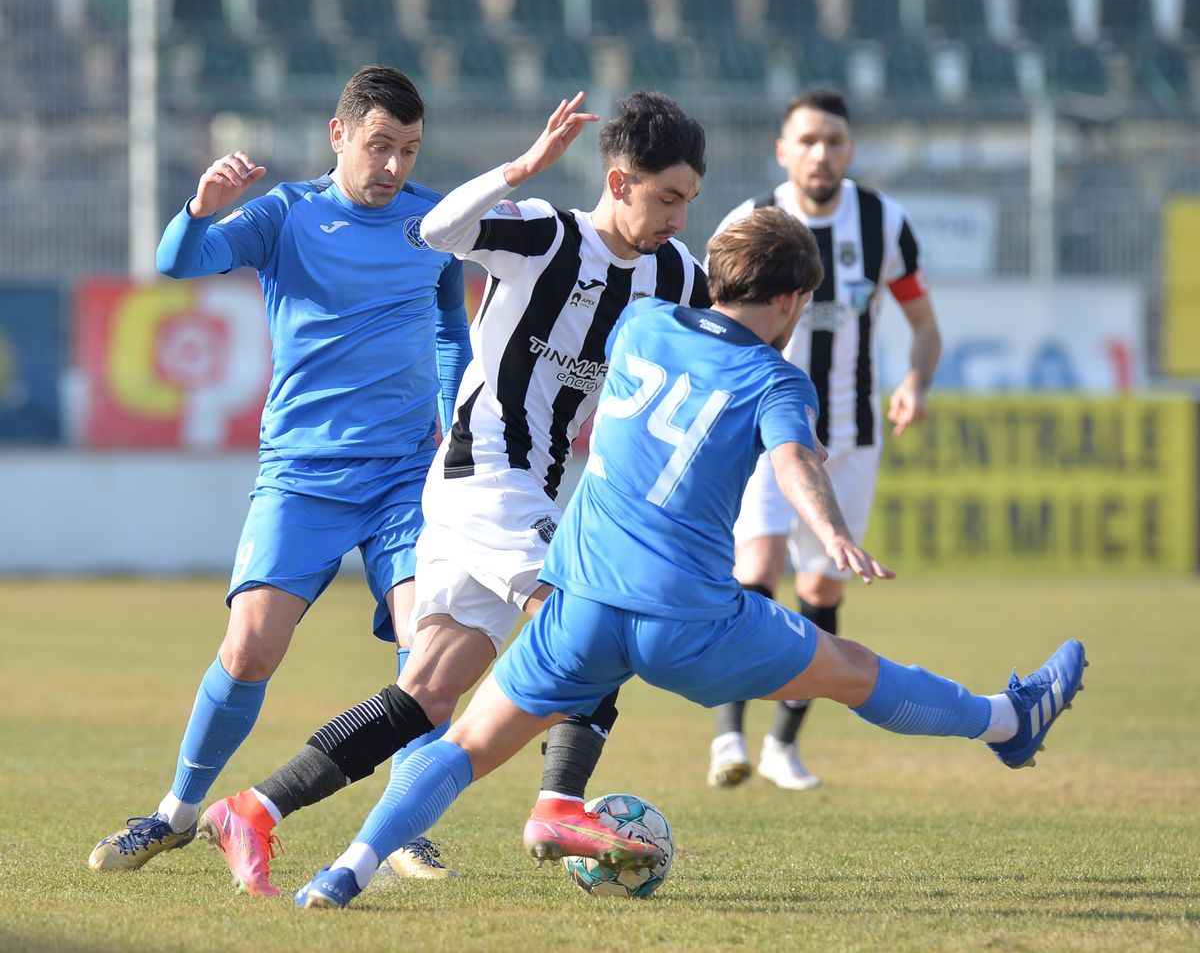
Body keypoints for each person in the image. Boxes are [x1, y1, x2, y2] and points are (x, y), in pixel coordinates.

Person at [291, 205, 1086, 909]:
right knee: (852, 668)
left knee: (463, 748)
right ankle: (1008, 720)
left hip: (584, 610)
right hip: (693, 624)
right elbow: (794, 463)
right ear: (791, 301)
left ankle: (345, 872)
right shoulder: (777, 380)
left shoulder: (641, 326)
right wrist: (834, 530)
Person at [194, 90, 711, 896]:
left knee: (430, 692)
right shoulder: (546, 231)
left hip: (529, 488)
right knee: (592, 614)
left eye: (690, 201)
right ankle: (559, 804)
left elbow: (729, 336)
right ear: (617, 182)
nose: (679, 217)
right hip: (486, 473)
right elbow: (437, 231)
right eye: (667, 198)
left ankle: (256, 808)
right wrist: (522, 167)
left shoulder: (678, 274)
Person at [87, 65, 471, 880]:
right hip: (302, 474)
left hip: (406, 475)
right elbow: (176, 264)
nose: (395, 165)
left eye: (408, 149)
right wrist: (200, 210)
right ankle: (175, 815)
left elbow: (449, 328)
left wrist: (453, 420)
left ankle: (399, 828)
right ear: (339, 135)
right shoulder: (284, 214)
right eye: (379, 146)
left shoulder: (432, 223)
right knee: (251, 648)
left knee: (428, 647)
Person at [706, 89, 943, 792]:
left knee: (819, 585)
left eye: (834, 140)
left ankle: (782, 743)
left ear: (851, 149)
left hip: (850, 433)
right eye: (807, 140)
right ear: (783, 150)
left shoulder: (882, 221)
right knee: (759, 567)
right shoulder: (747, 221)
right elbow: (708, 324)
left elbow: (925, 326)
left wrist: (916, 382)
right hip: (761, 430)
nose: (821, 152)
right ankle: (727, 737)